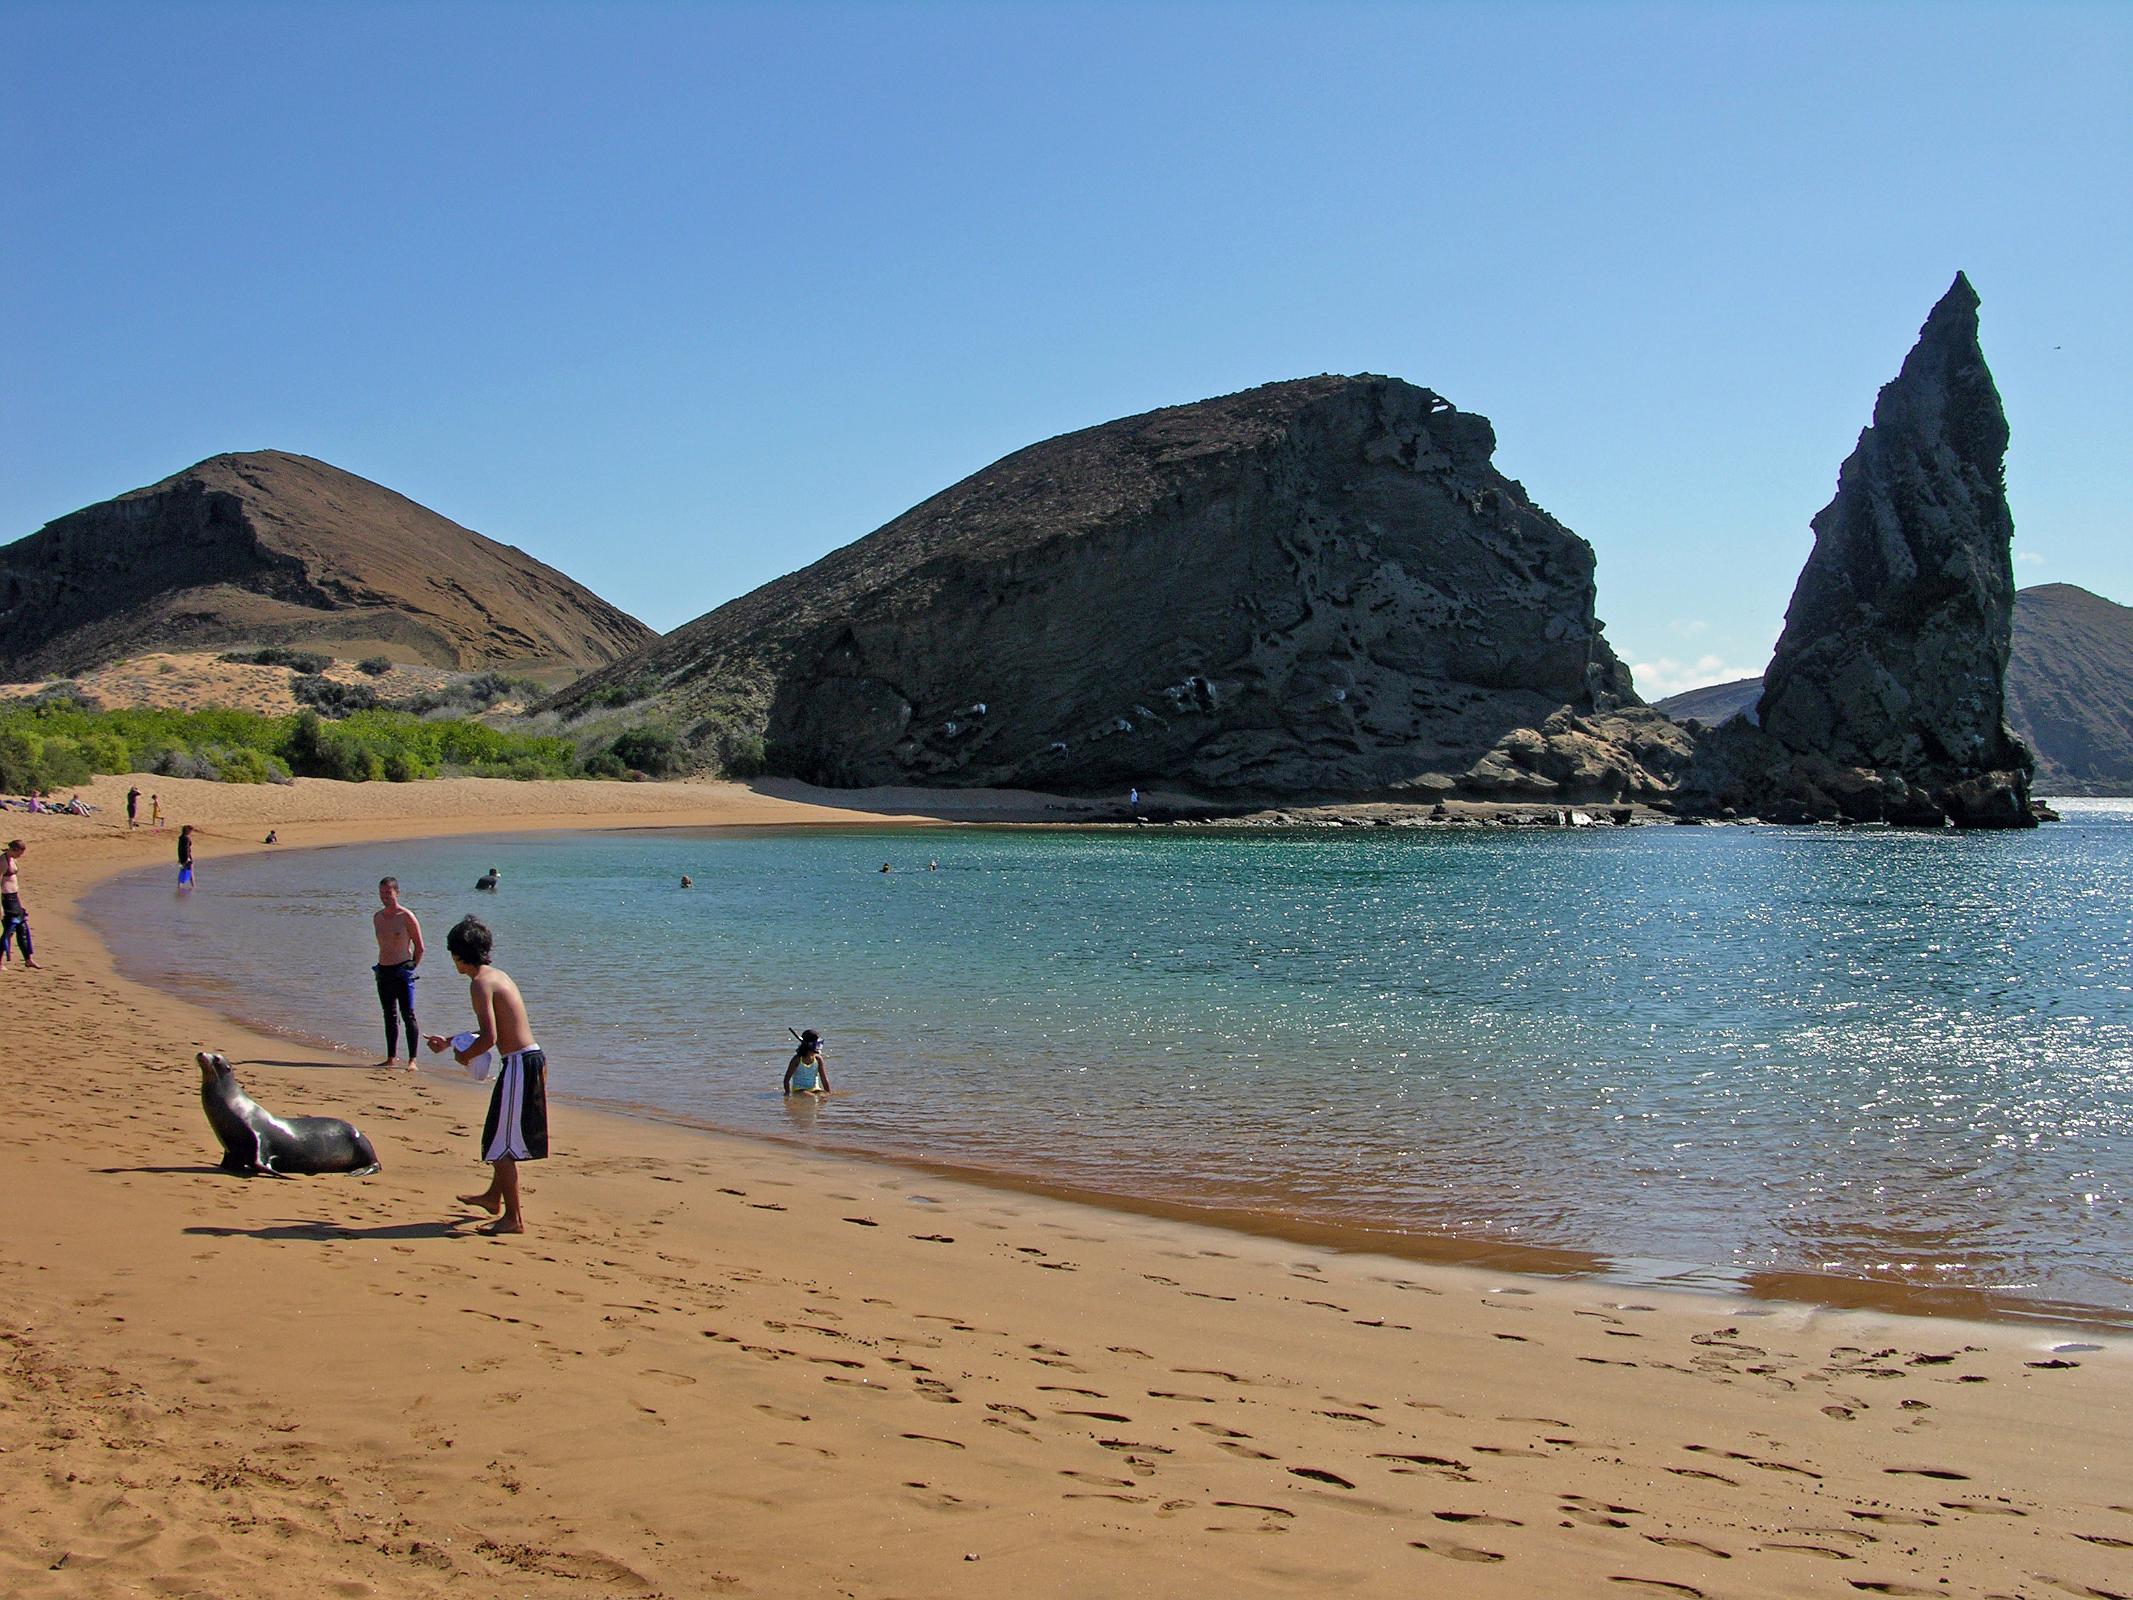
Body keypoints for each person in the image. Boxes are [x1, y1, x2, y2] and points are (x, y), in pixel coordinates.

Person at [425, 915, 546, 1235]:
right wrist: (451, 1040)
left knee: (501, 1144)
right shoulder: (496, 976)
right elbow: (495, 1028)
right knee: (498, 1134)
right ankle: (494, 1197)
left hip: (521, 1064)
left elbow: (490, 1038)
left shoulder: (479, 983)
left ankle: (513, 1218)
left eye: (452, 954)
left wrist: (463, 1056)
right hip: (527, 1060)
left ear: (459, 954)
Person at [371, 876, 425, 1069]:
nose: (385, 896)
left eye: (389, 892)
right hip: (383, 970)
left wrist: (412, 966)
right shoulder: (377, 917)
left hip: (402, 970)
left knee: (408, 1014)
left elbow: (420, 947)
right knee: (389, 1015)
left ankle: (412, 1060)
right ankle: (391, 1058)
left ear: (397, 893)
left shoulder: (406, 916)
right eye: (382, 893)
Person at [1, 840, 37, 969]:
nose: (20, 856)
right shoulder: (2, 862)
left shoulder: (12, 860)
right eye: (19, 853)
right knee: (8, 931)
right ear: (14, 849)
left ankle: (28, 959)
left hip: (15, 898)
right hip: (6, 900)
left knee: (22, 928)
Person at [783, 1029, 831, 1095]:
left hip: (815, 1089)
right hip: (799, 1090)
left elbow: (824, 1079)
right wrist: (787, 1094)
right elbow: (786, 1080)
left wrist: (828, 1093)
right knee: (813, 1098)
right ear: (810, 1044)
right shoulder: (797, 1059)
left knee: (823, 1097)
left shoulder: (818, 1059)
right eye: (816, 1043)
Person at [176, 823, 194, 887]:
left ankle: (179, 886)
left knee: (181, 871)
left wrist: (179, 857)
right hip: (187, 857)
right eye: (190, 831)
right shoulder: (187, 838)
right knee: (191, 872)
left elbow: (179, 848)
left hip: (181, 857)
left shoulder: (181, 838)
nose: (191, 832)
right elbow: (187, 849)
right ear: (188, 831)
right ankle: (193, 886)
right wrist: (187, 858)